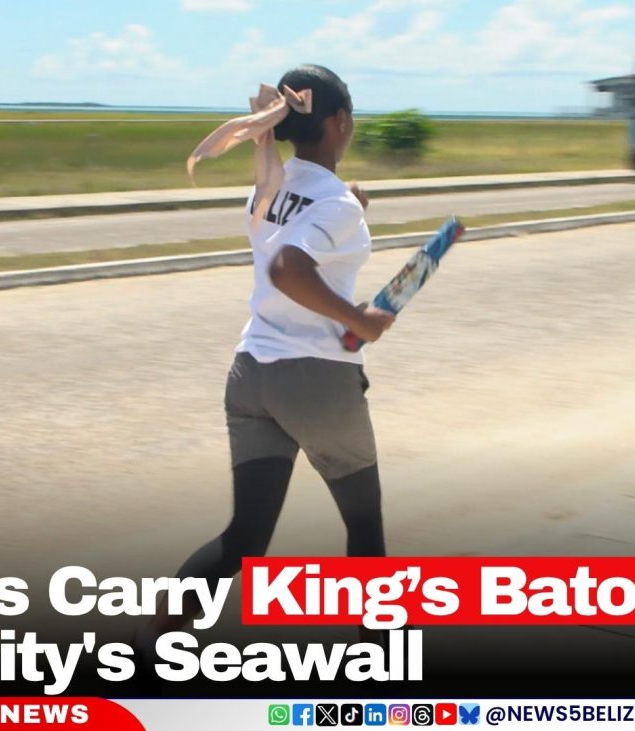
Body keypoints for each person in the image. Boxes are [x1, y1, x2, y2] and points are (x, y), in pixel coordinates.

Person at [136, 65, 395, 650]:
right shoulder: (337, 205)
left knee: (244, 539)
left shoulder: (270, 184)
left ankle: (147, 644)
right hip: (317, 381)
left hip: (251, 376)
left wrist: (348, 198)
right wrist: (360, 321)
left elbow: (296, 232)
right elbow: (289, 269)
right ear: (341, 122)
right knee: (364, 528)